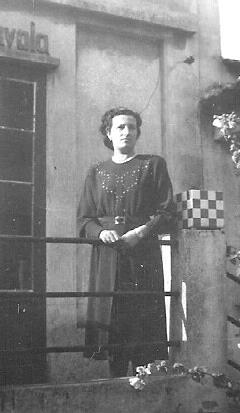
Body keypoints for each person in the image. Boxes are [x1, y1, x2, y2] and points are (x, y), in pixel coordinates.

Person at [77, 107, 175, 377]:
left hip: (142, 254)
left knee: (142, 321)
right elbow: (84, 220)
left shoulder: (153, 165)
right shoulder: (96, 172)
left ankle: (144, 383)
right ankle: (116, 381)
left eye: (132, 127)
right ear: (108, 133)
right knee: (113, 323)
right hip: (108, 257)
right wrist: (100, 233)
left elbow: (167, 212)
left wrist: (140, 233)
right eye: (120, 127)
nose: (127, 132)